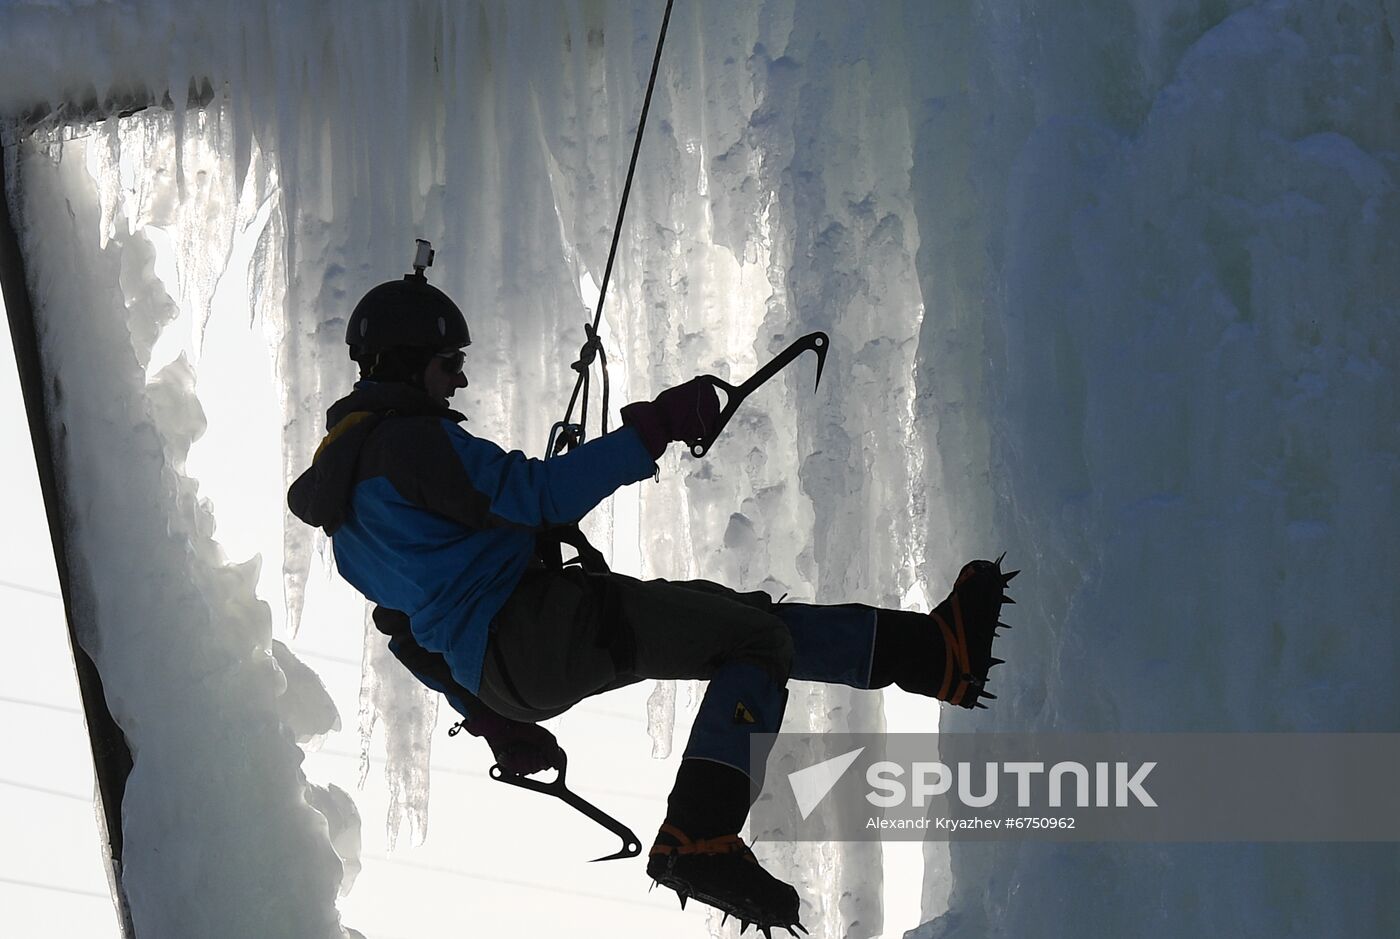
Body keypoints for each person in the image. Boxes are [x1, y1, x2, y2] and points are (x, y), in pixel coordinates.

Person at [287, 260, 1014, 935]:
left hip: (511, 664)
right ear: (411, 362)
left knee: (743, 624)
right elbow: (536, 495)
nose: (460, 383)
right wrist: (656, 428)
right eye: (452, 364)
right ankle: (699, 834)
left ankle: (937, 654)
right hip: (535, 628)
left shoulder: (345, 516)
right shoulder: (407, 444)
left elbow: (409, 636)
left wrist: (495, 720)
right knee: (753, 641)